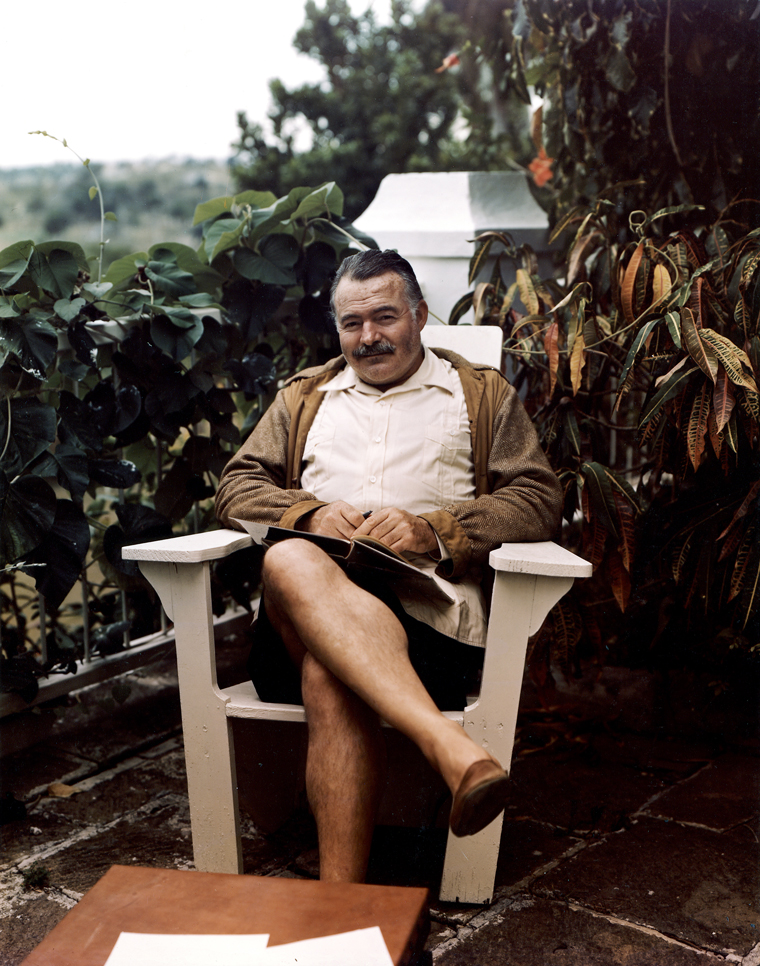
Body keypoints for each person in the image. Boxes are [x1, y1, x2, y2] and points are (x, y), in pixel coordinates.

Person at [215, 250, 562, 883]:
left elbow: (537, 496)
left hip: (431, 629)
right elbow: (237, 484)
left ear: (420, 315)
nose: (369, 336)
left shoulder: (478, 393)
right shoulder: (305, 398)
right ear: (338, 331)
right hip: (298, 618)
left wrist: (434, 529)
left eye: (385, 316)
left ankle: (338, 901)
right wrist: (310, 515)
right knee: (293, 555)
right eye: (353, 323)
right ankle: (452, 752)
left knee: (330, 674)